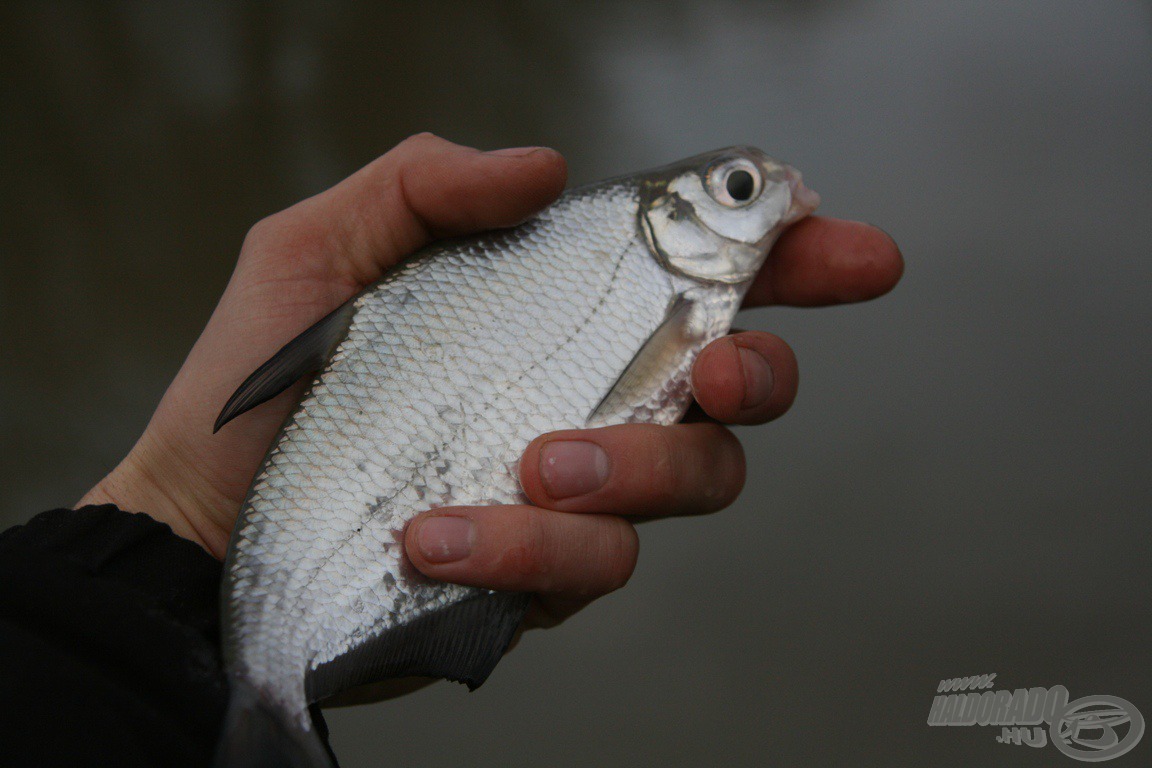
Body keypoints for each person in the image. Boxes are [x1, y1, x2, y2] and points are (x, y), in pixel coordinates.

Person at [0, 134, 903, 766]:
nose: (769, 187)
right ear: (671, 220)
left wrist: (170, 550)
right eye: (740, 188)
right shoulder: (627, 254)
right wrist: (186, 528)